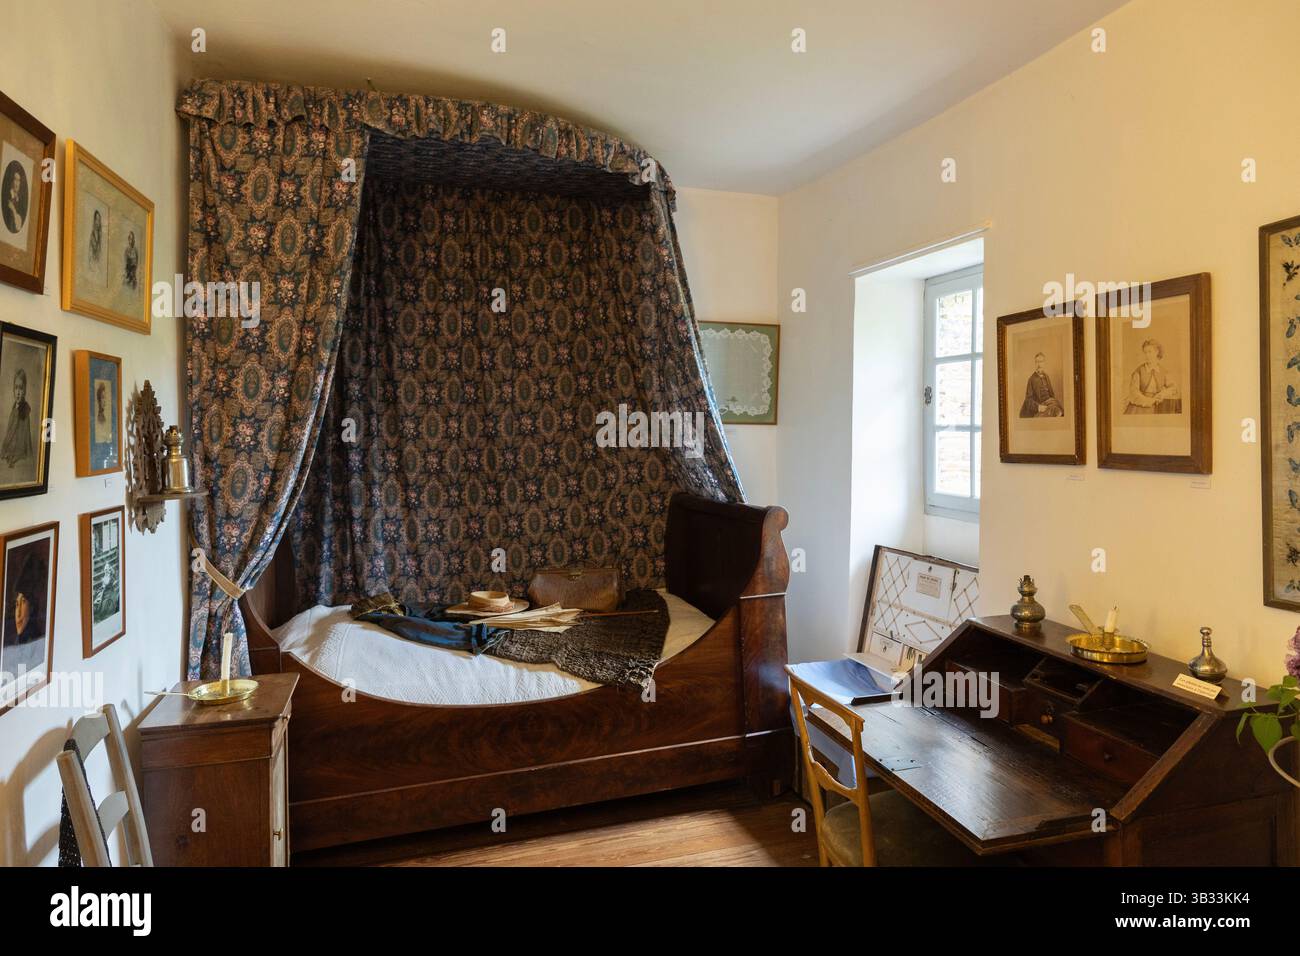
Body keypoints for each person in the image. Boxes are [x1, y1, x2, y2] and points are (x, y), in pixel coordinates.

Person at [1125, 338, 1181, 414]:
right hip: (1140, 407)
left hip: (1158, 407)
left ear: (1156, 352)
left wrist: (1162, 394)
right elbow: (1134, 392)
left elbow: (1173, 388)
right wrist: (1150, 401)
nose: (1147, 355)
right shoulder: (1138, 371)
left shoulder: (1163, 371)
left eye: (1149, 352)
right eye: (1145, 352)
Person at [0, 367, 32, 468]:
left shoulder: (24, 412)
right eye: (16, 388)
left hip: (18, 459)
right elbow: (9, 435)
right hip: (9, 454)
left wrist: (11, 456)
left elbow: (24, 442)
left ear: (25, 390)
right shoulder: (14, 409)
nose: (18, 392)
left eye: (21, 388)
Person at [1019, 352, 1063, 417]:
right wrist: (1038, 407)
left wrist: (1051, 402)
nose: (1039, 364)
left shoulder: (1047, 377)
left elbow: (1052, 395)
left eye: (1041, 361)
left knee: (1059, 411)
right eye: (1037, 362)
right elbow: (1028, 400)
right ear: (1035, 363)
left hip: (1050, 405)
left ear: (1044, 363)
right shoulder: (1031, 379)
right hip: (1040, 408)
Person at [1, 161, 27, 234]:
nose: (16, 183)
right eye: (15, 179)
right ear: (11, 181)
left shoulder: (20, 203)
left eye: (18, 180)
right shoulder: (6, 197)